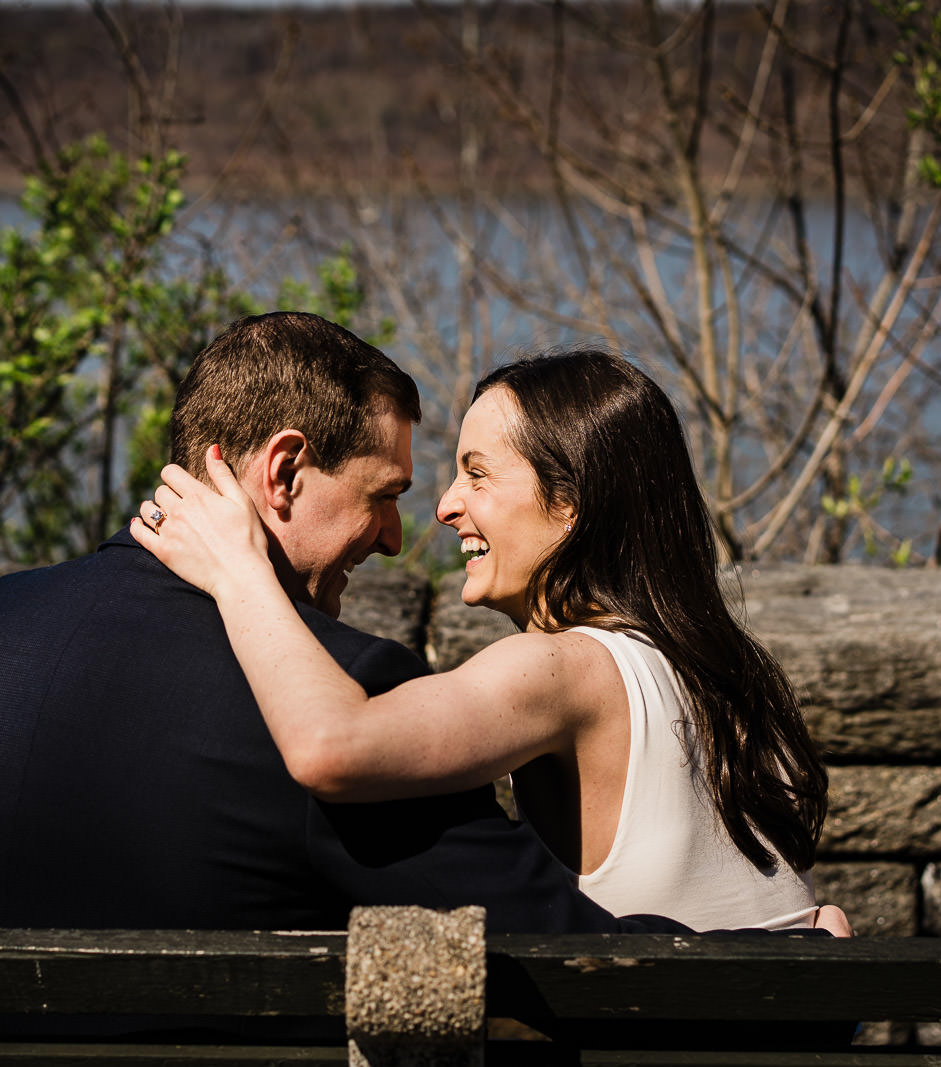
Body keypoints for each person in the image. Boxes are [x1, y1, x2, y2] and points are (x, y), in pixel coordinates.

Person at [0, 313, 850, 1036]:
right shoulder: (344, 683)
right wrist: (794, 973)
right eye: (384, 495)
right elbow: (560, 950)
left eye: (469, 478)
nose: (407, 532)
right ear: (281, 473)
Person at [134, 348, 829, 932]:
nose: (443, 506)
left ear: (569, 504)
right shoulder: (701, 666)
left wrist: (239, 568)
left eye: (477, 472)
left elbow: (331, 746)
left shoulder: (566, 667)